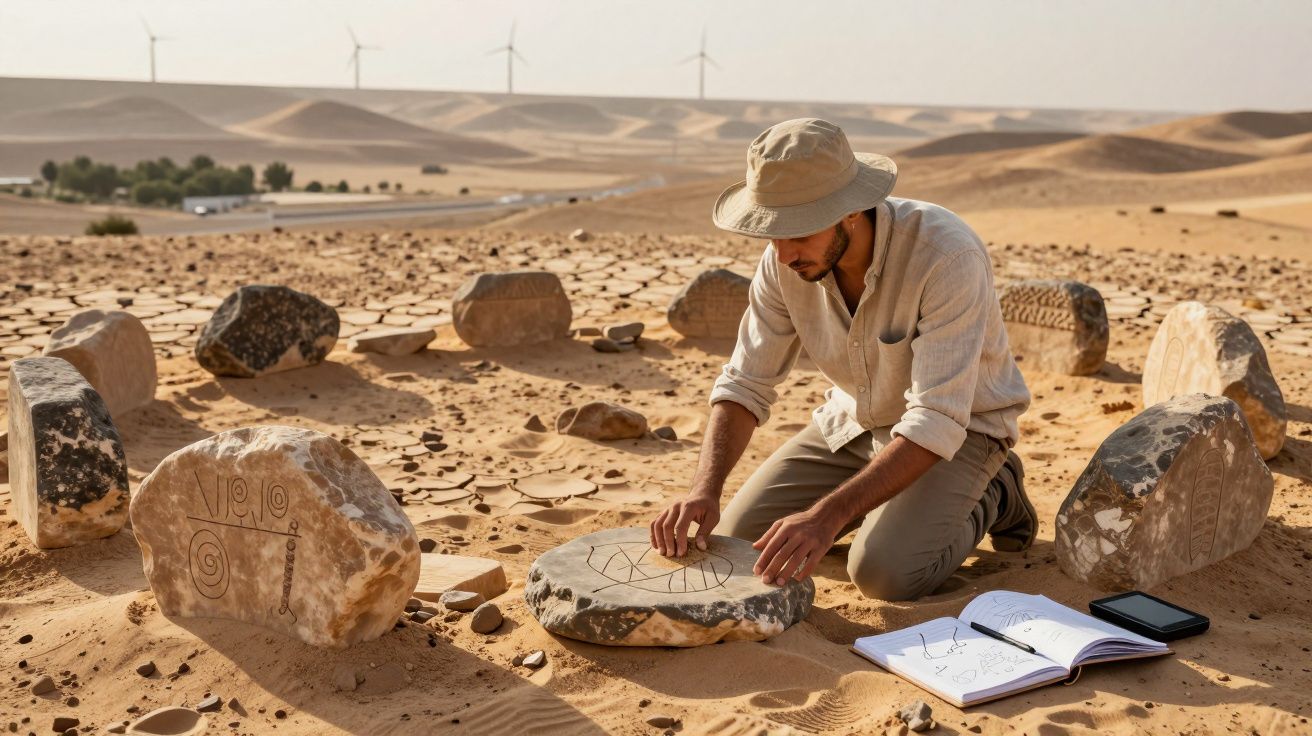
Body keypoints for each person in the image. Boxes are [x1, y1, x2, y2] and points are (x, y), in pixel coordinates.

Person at [649, 118, 1035, 601]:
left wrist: (827, 516)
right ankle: (877, 507)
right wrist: (704, 489)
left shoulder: (945, 255)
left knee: (884, 574)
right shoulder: (784, 261)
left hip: (958, 432)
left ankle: (995, 492)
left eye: (798, 232)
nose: (784, 252)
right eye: (771, 232)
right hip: (852, 423)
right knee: (736, 541)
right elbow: (745, 382)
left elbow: (936, 419)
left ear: (851, 211)